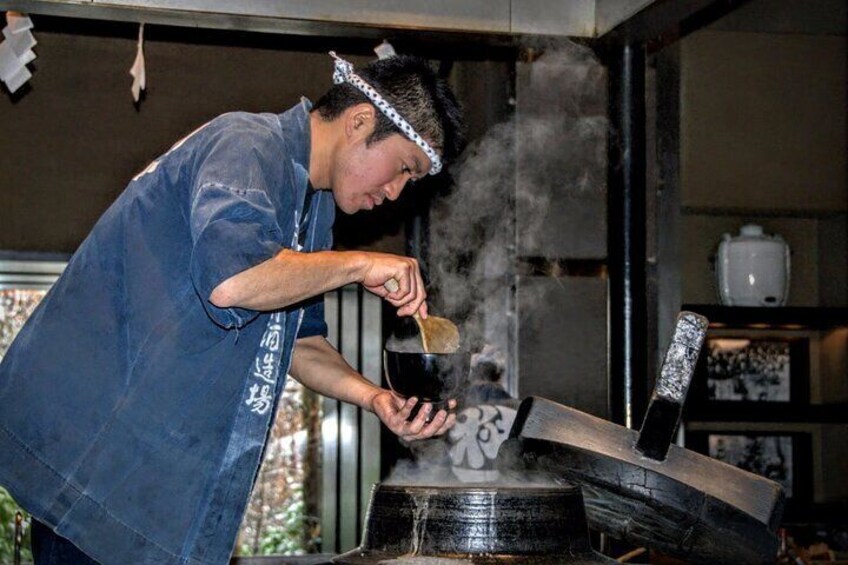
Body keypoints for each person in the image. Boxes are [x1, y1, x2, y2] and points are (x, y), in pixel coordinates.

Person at [0, 50, 465, 564]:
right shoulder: (247, 144)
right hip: (98, 458)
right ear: (359, 121)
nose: (396, 192)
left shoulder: (314, 211)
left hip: (147, 482)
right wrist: (358, 265)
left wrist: (374, 398)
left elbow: (298, 343)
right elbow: (233, 281)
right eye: (403, 168)